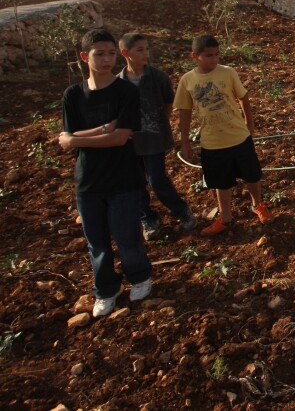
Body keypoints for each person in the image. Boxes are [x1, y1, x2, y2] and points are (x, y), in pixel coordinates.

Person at [59, 28, 153, 317]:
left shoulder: (126, 91)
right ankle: (106, 289)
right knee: (97, 242)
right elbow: (65, 138)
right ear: (84, 57)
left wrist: (79, 139)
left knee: (127, 237)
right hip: (88, 180)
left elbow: (121, 136)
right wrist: (102, 129)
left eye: (111, 53)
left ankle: (139, 277)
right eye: (99, 54)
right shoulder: (73, 95)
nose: (107, 59)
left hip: (123, 177)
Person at [174, 34, 273, 236]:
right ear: (195, 56)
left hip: (239, 137)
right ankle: (226, 218)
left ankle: (257, 205)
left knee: (252, 176)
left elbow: (243, 97)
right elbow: (185, 112)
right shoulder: (188, 81)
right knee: (221, 182)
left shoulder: (228, 73)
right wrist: (184, 142)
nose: (215, 59)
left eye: (217, 54)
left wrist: (249, 123)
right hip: (212, 143)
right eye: (209, 55)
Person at [118, 33, 197, 239]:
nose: (145, 53)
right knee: (136, 182)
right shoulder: (118, 83)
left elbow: (168, 103)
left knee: (157, 179)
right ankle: (147, 218)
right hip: (128, 142)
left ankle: (181, 210)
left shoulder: (158, 77)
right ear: (125, 53)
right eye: (140, 50)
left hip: (154, 139)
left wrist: (160, 123)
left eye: (146, 49)